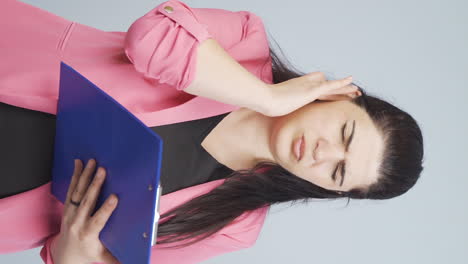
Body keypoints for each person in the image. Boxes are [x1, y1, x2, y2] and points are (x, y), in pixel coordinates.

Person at [0, 0, 424, 263]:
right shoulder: (245, 42)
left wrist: (73, 256)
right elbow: (150, 37)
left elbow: (107, 261)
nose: (322, 153)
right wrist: (268, 99)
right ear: (339, 96)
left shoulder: (233, 226)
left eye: (337, 173)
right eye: (344, 135)